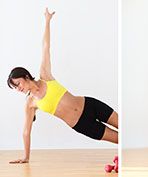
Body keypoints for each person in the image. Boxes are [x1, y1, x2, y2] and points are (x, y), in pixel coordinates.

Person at [7, 8, 118, 164]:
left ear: (26, 76)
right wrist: (26, 157)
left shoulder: (45, 76)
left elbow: (45, 46)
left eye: (18, 84)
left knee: (125, 127)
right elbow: (26, 132)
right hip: (82, 124)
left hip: (90, 105)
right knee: (120, 139)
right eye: (15, 88)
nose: (18, 89)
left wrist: (47, 21)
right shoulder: (30, 104)